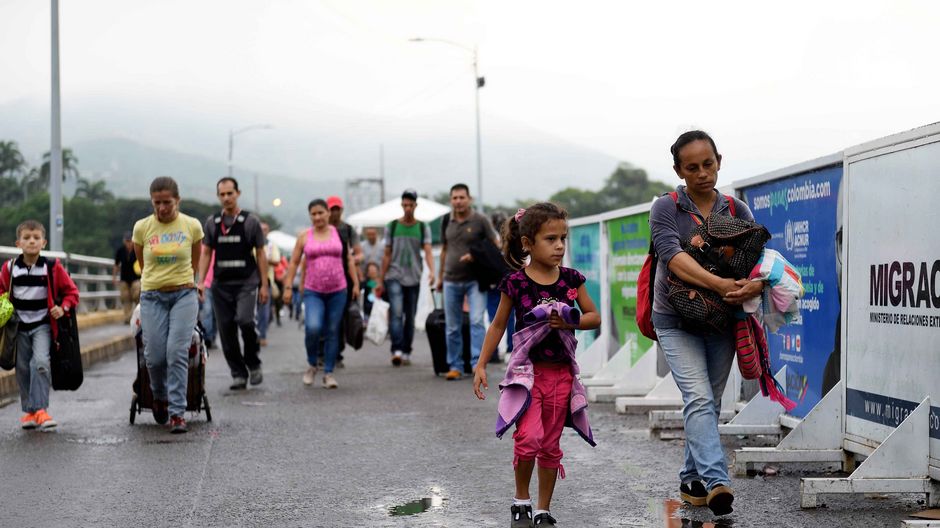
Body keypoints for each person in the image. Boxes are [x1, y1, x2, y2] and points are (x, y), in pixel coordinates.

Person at [650, 130, 763, 516]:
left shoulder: (736, 210)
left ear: (719, 160)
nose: (702, 173)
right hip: (674, 319)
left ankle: (690, 478)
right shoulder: (665, 208)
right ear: (678, 170)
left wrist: (752, 285)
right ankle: (717, 482)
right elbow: (673, 257)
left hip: (721, 321)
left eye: (708, 164)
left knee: (708, 403)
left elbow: (757, 260)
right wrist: (719, 283)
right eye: (692, 167)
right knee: (698, 398)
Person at [472, 202, 600, 527]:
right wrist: (481, 365)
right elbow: (498, 325)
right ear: (528, 242)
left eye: (563, 239)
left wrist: (571, 322)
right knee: (528, 438)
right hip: (526, 376)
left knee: (550, 444)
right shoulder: (515, 282)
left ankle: (543, 509)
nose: (559, 246)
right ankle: (521, 500)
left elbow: (593, 316)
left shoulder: (571, 279)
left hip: (561, 376)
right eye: (550, 239)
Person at [133, 176, 203, 433]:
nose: (162, 208)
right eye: (157, 203)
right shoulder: (142, 227)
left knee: (176, 352)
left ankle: (177, 412)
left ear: (178, 201)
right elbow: (142, 264)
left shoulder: (192, 225)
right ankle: (159, 396)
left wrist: (193, 282)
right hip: (152, 296)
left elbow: (196, 260)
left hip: (184, 294)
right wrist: (156, 282)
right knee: (154, 356)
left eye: (168, 203)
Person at [0, 220, 79, 430]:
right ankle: (29, 411)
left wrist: (63, 308)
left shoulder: (52, 267)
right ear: (18, 243)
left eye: (36, 238)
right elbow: (1, 292)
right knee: (23, 368)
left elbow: (72, 292)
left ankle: (41, 410)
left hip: (43, 325)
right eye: (26, 238)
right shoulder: (10, 268)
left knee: (41, 363)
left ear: (43, 242)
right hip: (19, 327)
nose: (31, 241)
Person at [198, 177, 269, 391]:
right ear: (218, 196)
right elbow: (206, 252)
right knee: (226, 330)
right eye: (222, 194)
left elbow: (261, 253)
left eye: (230, 193)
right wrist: (200, 282)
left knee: (246, 321)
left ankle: (253, 362)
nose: (226, 197)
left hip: (247, 282)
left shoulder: (250, 222)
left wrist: (264, 285)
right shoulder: (212, 223)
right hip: (221, 285)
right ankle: (238, 373)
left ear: (238, 193)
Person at [282, 199, 359, 389]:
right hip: (313, 291)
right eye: (313, 214)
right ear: (310, 216)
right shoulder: (304, 236)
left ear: (328, 213)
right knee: (313, 327)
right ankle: (312, 363)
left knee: (333, 331)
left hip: (338, 290)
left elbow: (349, 259)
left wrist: (356, 283)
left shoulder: (339, 233)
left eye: (320, 213)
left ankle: (329, 373)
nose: (317, 217)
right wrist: (288, 286)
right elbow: (293, 262)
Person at [437, 183, 499, 380]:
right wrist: (439, 277)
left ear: (469, 199)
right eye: (455, 198)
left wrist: (476, 255)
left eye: (462, 197)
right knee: (452, 326)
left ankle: (476, 364)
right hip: (450, 279)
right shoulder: (446, 220)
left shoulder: (480, 220)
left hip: (475, 280)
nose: (458, 201)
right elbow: (444, 250)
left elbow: (494, 245)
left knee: (476, 321)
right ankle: (455, 365)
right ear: (451, 200)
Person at [374, 189, 435, 367]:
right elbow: (386, 254)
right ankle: (396, 349)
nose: (407, 208)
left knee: (410, 315)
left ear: (416, 206)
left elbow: (429, 251)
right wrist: (380, 279)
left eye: (411, 205)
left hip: (414, 276)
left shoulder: (423, 227)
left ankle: (407, 349)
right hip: (394, 275)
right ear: (401, 205)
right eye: (405, 204)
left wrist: (432, 270)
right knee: (397, 312)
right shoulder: (392, 226)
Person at [325, 195, 361, 367]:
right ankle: (322, 351)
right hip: (323, 279)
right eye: (331, 209)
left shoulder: (347, 229)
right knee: (324, 317)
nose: (334, 212)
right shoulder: (320, 229)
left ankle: (337, 353)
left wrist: (353, 263)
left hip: (344, 279)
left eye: (337, 209)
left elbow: (358, 252)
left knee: (339, 317)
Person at [256, 222, 281, 346]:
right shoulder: (251, 243)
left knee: (264, 310)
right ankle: (253, 333)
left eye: (265, 229)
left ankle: (262, 335)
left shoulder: (271, 245)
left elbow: (276, 261)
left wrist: (261, 258)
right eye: (260, 229)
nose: (262, 231)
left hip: (267, 281)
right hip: (251, 281)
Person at [112, 232, 141, 324]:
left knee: (137, 295)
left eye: (130, 241)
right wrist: (114, 277)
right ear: (124, 241)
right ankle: (128, 318)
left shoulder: (137, 250)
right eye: (127, 241)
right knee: (126, 298)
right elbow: (116, 265)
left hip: (136, 278)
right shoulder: (120, 251)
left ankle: (139, 316)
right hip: (124, 278)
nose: (128, 243)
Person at [198, 253, 217, 349]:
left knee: (216, 313)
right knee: (207, 311)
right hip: (206, 283)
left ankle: (212, 337)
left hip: (218, 283)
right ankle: (206, 338)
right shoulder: (204, 246)